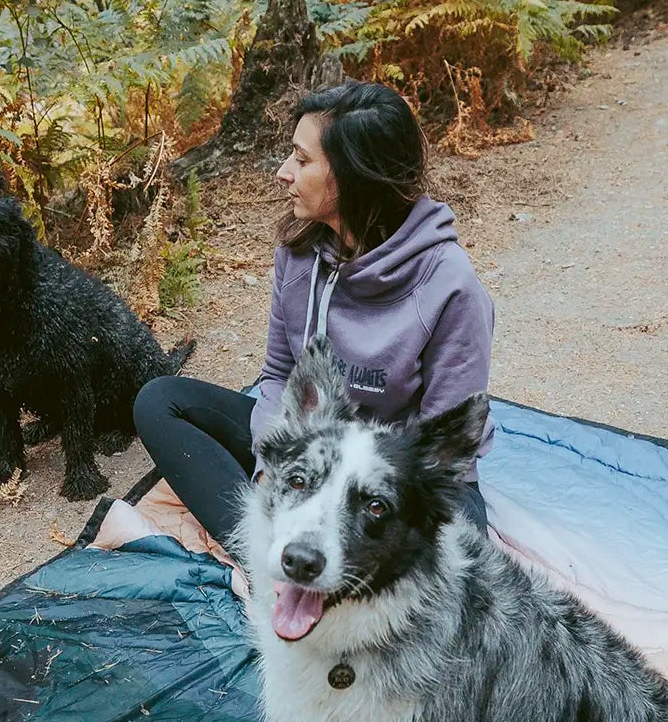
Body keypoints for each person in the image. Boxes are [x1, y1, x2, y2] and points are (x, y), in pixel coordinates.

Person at [133, 81, 495, 546]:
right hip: (308, 450)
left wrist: (360, 500)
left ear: (353, 175)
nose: (283, 172)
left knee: (459, 553)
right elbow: (278, 376)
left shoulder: (450, 284)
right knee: (160, 401)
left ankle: (308, 553)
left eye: (302, 161)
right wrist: (270, 471)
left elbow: (443, 444)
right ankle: (259, 548)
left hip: (390, 472)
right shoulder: (299, 252)